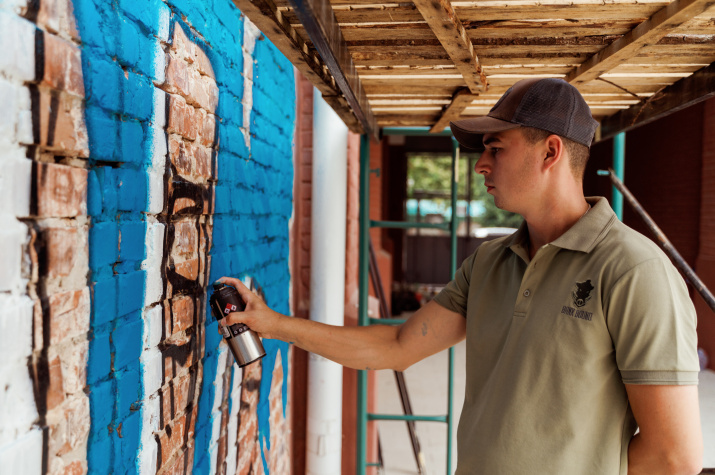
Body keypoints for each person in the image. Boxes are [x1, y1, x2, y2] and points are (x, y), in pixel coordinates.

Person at [220, 78, 703, 474]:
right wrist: (272, 323)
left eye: (496, 147)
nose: (482, 166)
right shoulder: (490, 262)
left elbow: (673, 456)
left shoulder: (634, 271)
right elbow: (395, 348)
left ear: (550, 152)